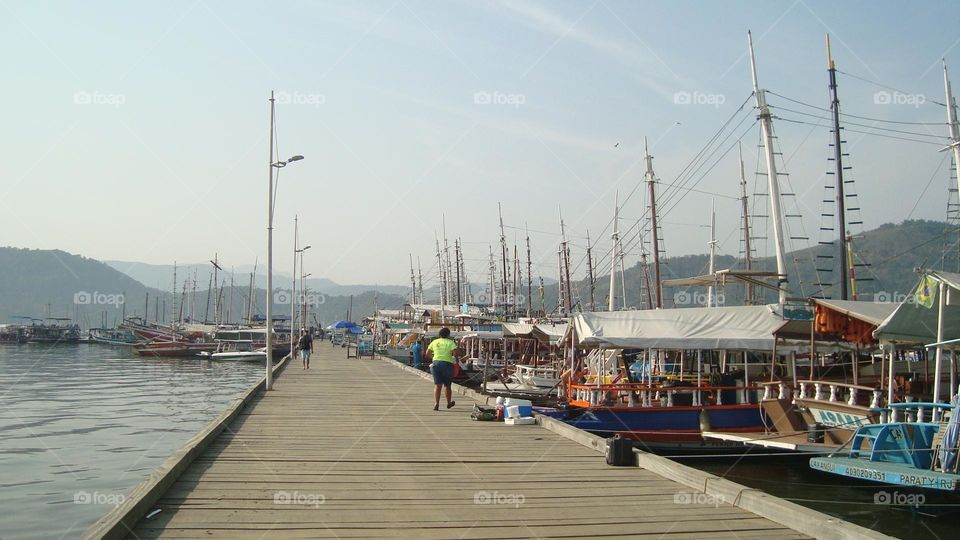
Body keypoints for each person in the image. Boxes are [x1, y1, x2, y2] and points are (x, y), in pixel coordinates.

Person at [425, 327, 459, 411]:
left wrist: (434, 358)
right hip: (447, 364)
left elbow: (427, 354)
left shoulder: (434, 342)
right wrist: (456, 360)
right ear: (448, 335)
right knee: (447, 385)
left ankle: (436, 403)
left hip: (435, 364)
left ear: (439, 334)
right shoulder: (451, 342)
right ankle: (448, 403)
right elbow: (455, 354)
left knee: (437, 385)